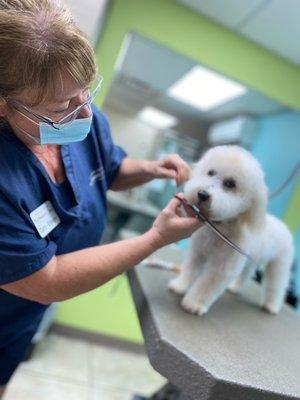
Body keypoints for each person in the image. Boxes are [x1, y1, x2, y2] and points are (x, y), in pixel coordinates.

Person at [0, 0, 203, 396]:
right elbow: (47, 280)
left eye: (86, 93)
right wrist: (155, 238)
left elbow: (108, 170)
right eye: (61, 108)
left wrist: (151, 168)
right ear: (4, 105)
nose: (83, 114)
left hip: (22, 321)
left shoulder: (82, 120)